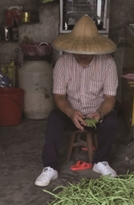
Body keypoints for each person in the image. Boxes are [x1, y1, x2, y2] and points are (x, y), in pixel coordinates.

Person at [35, 15, 119, 187]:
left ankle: (101, 161)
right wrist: (71, 112)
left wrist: (101, 113)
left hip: (96, 114)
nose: (82, 55)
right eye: (78, 50)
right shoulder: (63, 63)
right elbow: (59, 96)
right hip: (70, 113)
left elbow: (110, 98)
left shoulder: (108, 64)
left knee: (112, 121)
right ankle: (50, 167)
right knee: (54, 119)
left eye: (86, 50)